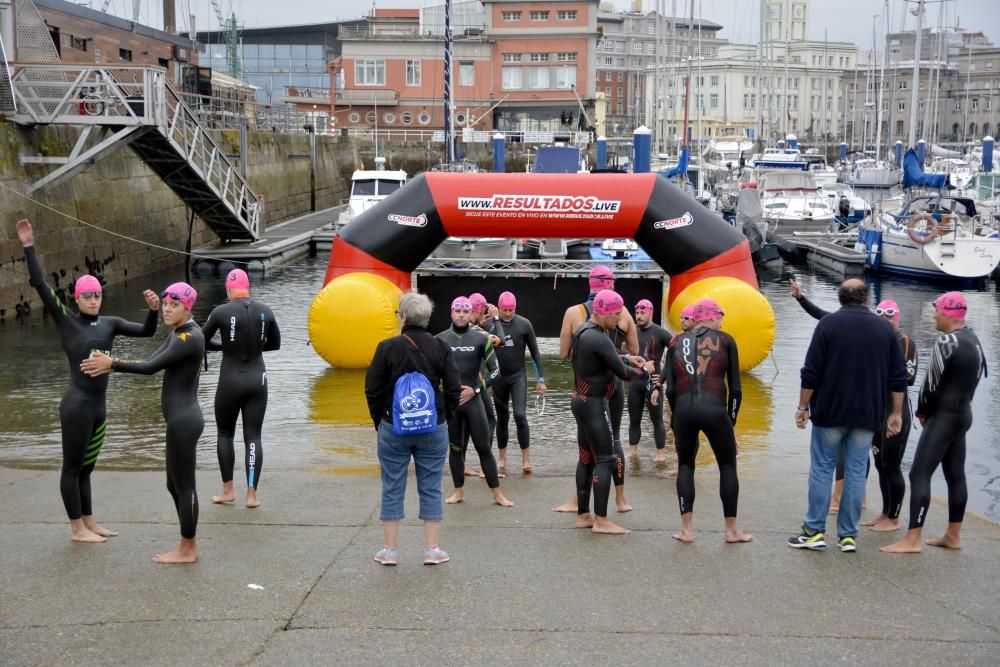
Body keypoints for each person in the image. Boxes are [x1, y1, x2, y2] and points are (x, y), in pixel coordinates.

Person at [16, 218, 160, 543]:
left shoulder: (110, 324)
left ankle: (90, 522)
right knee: (71, 468)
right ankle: (76, 528)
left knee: (86, 469)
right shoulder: (68, 321)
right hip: (77, 407)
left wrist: (153, 309)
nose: (94, 300)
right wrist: (29, 247)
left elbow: (147, 332)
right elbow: (40, 284)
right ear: (77, 299)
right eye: (88, 296)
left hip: (99, 409)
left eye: (97, 294)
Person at [81, 283, 205, 564]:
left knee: (185, 487)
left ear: (187, 307)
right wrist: (115, 362)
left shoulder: (190, 337)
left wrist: (112, 363)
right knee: (173, 485)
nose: (167, 309)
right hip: (179, 419)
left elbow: (149, 368)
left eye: (174, 305)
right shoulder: (179, 333)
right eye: (165, 304)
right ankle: (188, 543)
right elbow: (150, 358)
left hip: (185, 420)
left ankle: (189, 548)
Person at [788, 279, 906, 553]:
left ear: (841, 299)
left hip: (830, 411)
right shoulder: (885, 330)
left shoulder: (828, 325)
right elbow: (897, 377)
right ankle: (848, 536)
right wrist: (896, 413)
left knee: (822, 468)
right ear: (866, 299)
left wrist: (802, 407)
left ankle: (814, 531)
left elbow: (811, 372)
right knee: (855, 472)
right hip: (868, 414)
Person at [882, 292, 987, 554]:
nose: (934, 315)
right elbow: (976, 377)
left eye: (937, 310)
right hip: (963, 415)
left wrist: (921, 411)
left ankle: (912, 539)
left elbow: (930, 382)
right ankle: (953, 536)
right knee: (955, 475)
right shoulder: (974, 339)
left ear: (949, 313)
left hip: (942, 416)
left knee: (919, 474)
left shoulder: (947, 341)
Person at [364, 292, 461, 565]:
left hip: (393, 426)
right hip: (433, 426)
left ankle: (390, 551)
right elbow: (454, 388)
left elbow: (372, 388)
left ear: (403, 317)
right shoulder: (441, 347)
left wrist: (380, 421)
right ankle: (431, 550)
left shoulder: (387, 347)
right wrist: (445, 416)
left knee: (392, 484)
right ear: (427, 318)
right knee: (431, 486)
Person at [663, 299, 751, 544]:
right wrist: (730, 425)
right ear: (711, 317)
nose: (722, 322)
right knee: (727, 466)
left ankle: (687, 531)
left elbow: (670, 390)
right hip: (714, 411)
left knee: (685, 466)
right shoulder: (725, 341)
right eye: (721, 316)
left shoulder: (675, 342)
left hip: (683, 411)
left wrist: (674, 422)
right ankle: (731, 531)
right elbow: (736, 390)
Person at [554, 265, 638, 514]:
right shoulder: (622, 313)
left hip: (587, 388)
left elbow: (563, 354)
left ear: (589, 284)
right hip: (615, 386)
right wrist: (614, 355)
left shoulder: (574, 312)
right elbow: (633, 349)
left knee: (588, 444)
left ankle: (580, 502)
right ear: (611, 285)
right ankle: (620, 500)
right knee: (613, 440)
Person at [569, 290, 654, 535]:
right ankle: (602, 520)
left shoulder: (584, 331)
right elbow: (623, 374)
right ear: (604, 312)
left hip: (581, 401)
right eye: (616, 315)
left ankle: (583, 515)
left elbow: (605, 358)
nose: (619, 319)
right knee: (605, 459)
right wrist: (646, 370)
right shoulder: (599, 337)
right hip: (594, 404)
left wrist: (627, 356)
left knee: (586, 458)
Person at [201, 269, 281, 509]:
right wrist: (253, 348)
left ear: (228, 289)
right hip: (258, 379)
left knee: (225, 434)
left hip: (230, 380)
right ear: (248, 288)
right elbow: (275, 344)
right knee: (253, 436)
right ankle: (251, 495)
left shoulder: (221, 311)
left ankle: (228, 491)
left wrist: (227, 347)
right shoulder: (265, 311)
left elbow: (201, 340)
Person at [437, 296, 513, 507]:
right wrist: (442, 396)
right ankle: (458, 492)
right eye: (457, 311)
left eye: (465, 311)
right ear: (451, 313)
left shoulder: (481, 339)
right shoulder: (440, 340)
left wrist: (476, 389)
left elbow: (496, 372)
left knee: (483, 448)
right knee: (455, 449)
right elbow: (432, 374)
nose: (461, 315)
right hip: (452, 405)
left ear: (471, 314)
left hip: (474, 401)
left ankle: (498, 495)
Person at [861, 300, 918, 532]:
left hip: (896, 412)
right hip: (877, 412)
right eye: (882, 316)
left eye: (890, 316)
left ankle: (894, 518)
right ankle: (885, 513)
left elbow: (909, 378)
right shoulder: (875, 343)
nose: (887, 320)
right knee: (879, 463)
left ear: (898, 318)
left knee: (892, 465)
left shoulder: (906, 342)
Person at [492, 290, 546, 473]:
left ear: (515, 308)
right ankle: (502, 459)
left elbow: (536, 353)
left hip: (517, 377)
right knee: (502, 418)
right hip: (498, 377)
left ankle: (526, 460)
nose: (508, 313)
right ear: (498, 308)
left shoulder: (524, 324)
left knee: (520, 416)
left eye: (511, 310)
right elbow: (479, 350)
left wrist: (540, 379)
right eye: (504, 310)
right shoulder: (490, 325)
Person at [628, 299, 672, 463]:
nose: (638, 316)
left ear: (650, 312)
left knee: (657, 419)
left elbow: (676, 352)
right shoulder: (631, 332)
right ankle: (633, 453)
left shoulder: (660, 333)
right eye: (637, 313)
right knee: (634, 419)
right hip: (635, 382)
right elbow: (619, 352)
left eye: (642, 313)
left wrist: (663, 378)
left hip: (654, 383)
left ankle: (660, 454)